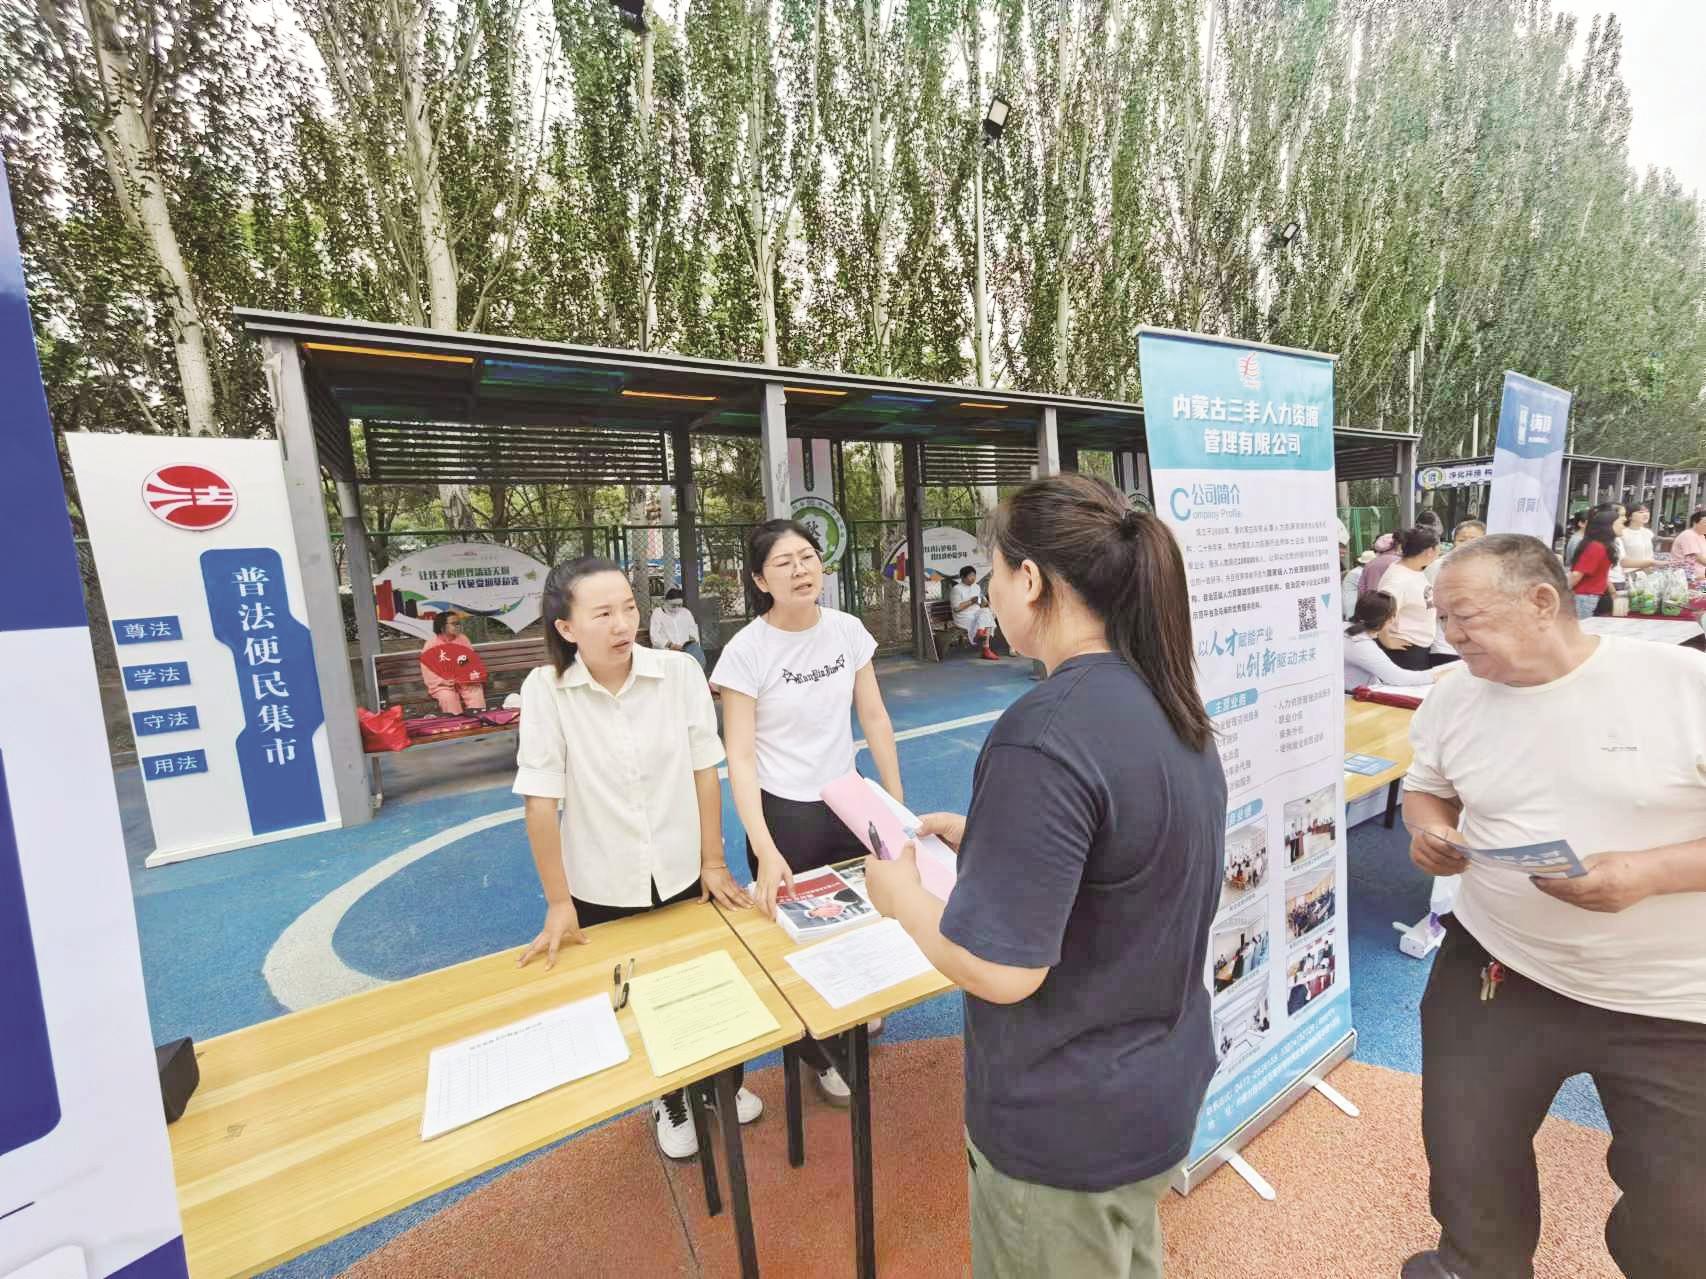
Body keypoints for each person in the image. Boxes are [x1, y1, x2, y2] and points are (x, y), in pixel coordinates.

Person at [862, 474, 1225, 1279]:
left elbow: (1001, 969)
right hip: (1156, 1087)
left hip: (1066, 1124)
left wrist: (902, 898)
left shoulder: (1044, 731)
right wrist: (991, 839)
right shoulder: (1167, 699)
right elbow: (1127, 859)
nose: (988, 591)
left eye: (994, 570)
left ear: (1029, 580)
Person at [1400, 533, 1706, 1279]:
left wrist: (1647, 873)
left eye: (1465, 615)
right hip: (1498, 967)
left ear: (1543, 600)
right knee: (1469, 1156)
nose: (1450, 634)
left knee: (1682, 1211)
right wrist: (1431, 832)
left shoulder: (1680, 684)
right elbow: (1428, 787)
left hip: (1671, 999)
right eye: (1441, 616)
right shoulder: (1454, 694)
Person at [511, 557, 761, 1160]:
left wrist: (713, 862)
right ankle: (668, 1097)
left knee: (708, 981)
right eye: (603, 614)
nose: (623, 624)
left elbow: (705, 771)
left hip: (682, 867)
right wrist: (558, 902)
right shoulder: (546, 690)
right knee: (637, 994)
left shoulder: (677, 673)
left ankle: (722, 1083)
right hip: (602, 881)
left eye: (629, 607)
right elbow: (540, 802)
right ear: (566, 627)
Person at [713, 518, 903, 1107]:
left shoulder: (847, 630)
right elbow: (740, 757)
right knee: (799, 938)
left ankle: (854, 1015)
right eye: (783, 563)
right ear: (759, 580)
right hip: (784, 811)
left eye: (808, 557)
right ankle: (821, 1055)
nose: (800, 570)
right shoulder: (746, 652)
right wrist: (764, 846)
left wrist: (894, 805)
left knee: (863, 919)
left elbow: (874, 717)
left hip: (847, 801)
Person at [1343, 591, 1436, 689]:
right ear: (1390, 619)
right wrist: (1436, 675)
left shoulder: (1343, 629)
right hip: (1357, 694)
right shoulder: (1360, 644)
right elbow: (1399, 678)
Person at [1379, 527, 1441, 670]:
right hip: (1405, 650)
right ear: (1430, 551)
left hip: (1417, 646)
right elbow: (1381, 610)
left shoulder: (1413, 569)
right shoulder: (1399, 579)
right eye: (1439, 548)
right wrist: (1386, 640)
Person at [421, 611, 486, 713]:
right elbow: (428, 670)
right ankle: (457, 722)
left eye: (458, 623)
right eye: (454, 624)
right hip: (443, 685)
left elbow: (470, 662)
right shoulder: (431, 644)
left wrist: (466, 676)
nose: (458, 626)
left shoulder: (463, 639)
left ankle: (478, 719)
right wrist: (443, 681)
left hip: (464, 681)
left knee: (475, 692)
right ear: (442, 626)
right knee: (448, 697)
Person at [1567, 503, 1622, 619]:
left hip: (1591, 596)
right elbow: (1577, 574)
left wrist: (1613, 592)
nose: (1623, 527)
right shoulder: (1596, 547)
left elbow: (1602, 574)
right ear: (1608, 526)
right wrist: (1560, 592)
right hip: (1585, 597)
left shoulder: (1603, 545)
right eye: (1620, 524)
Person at [950, 565, 1001, 660]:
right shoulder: (956, 589)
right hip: (963, 616)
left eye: (974, 575)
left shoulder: (976, 587)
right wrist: (971, 601)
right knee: (986, 619)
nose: (973, 578)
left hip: (976, 614)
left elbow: (981, 603)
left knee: (987, 611)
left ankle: (980, 632)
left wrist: (985, 602)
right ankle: (986, 649)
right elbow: (956, 609)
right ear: (962, 577)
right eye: (970, 576)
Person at [649, 587, 705, 668]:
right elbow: (654, 636)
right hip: (665, 654)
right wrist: (670, 645)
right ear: (666, 602)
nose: (677, 608)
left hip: (685, 653)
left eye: (679, 605)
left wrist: (692, 644)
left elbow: (693, 632)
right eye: (673, 605)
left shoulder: (686, 613)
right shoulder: (658, 613)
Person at [1619, 503, 1657, 573]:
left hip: (1648, 573)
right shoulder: (1622, 534)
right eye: (1641, 512)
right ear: (1630, 516)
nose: (1646, 514)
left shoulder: (1648, 532)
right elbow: (1620, 560)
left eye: (1647, 511)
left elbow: (1650, 555)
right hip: (1628, 574)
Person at [1342, 549, 1375, 620]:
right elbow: (1367, 587)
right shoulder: (1358, 572)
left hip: (1353, 600)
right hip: (1352, 602)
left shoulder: (1359, 571)